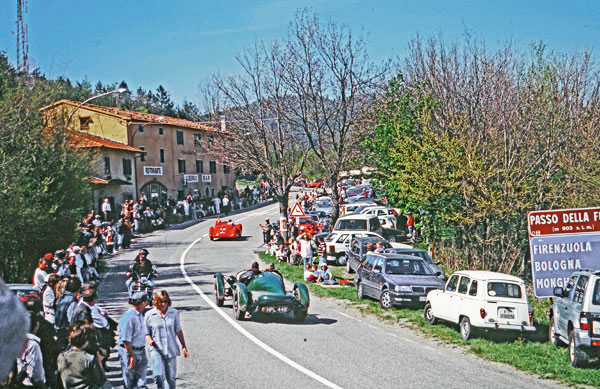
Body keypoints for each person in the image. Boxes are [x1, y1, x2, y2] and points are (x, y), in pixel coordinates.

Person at [145, 291, 189, 389]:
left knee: (171, 378)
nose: (163, 304)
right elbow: (146, 332)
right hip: (156, 349)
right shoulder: (149, 315)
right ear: (156, 302)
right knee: (159, 375)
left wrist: (184, 346)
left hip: (170, 348)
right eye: (160, 301)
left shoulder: (174, 313)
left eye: (165, 301)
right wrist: (150, 341)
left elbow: (178, 330)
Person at [57, 322, 106, 389]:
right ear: (86, 341)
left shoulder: (62, 357)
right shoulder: (89, 358)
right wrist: (99, 361)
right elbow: (101, 380)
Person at [118, 292, 149, 389]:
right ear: (143, 303)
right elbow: (125, 340)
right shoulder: (129, 317)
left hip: (141, 351)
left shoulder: (139, 315)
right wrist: (132, 356)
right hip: (130, 352)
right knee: (130, 383)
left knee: (141, 383)